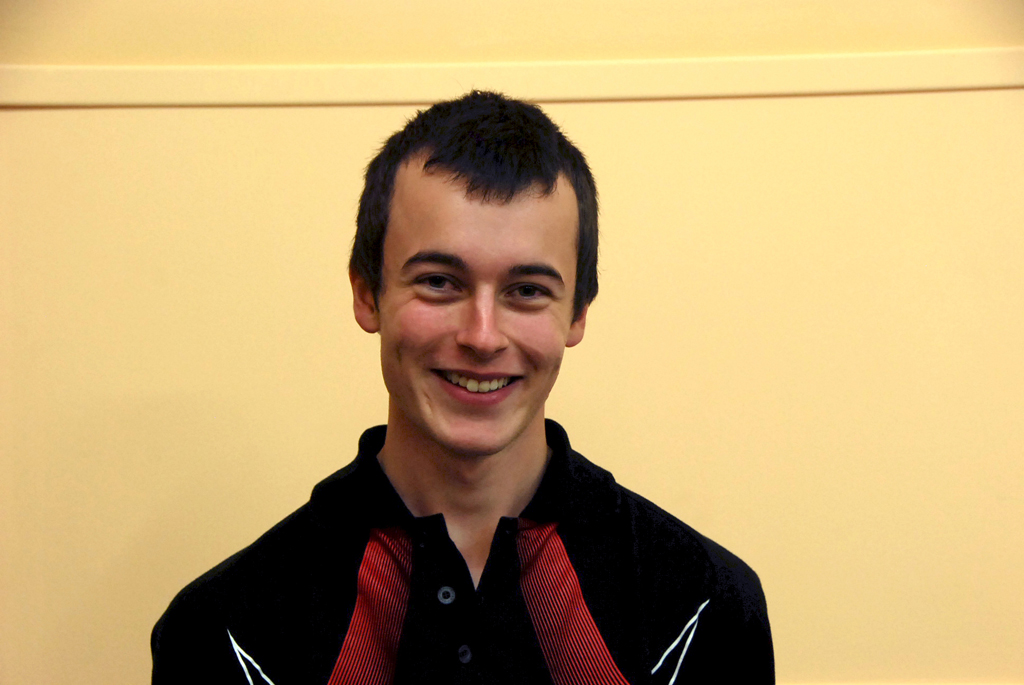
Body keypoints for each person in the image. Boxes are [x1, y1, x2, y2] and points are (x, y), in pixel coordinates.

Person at [151, 90, 774, 685]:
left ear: (577, 314)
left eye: (527, 291)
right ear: (367, 294)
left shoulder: (704, 608)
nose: (482, 336)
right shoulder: (224, 633)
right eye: (439, 282)